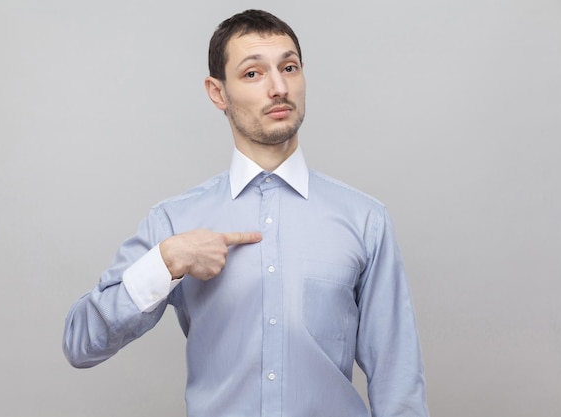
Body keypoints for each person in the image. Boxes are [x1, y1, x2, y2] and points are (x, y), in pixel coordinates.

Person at [63, 9, 429, 417]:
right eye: (253, 74)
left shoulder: (365, 220)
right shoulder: (174, 221)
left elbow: (399, 380)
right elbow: (82, 343)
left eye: (289, 68)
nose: (278, 88)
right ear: (218, 92)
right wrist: (165, 262)